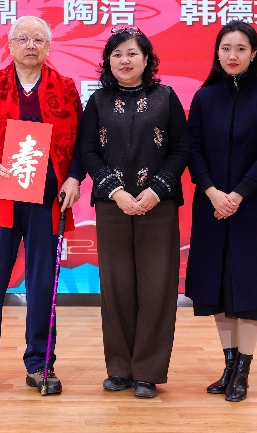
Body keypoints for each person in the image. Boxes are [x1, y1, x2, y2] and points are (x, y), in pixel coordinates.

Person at [0, 16, 84, 398]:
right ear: (10, 45)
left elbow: (82, 142)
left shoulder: (65, 88)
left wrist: (74, 178)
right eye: (23, 39)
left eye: (38, 39)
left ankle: (40, 363)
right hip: (4, 198)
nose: (31, 45)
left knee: (43, 282)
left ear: (48, 47)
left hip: (48, 201)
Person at [80, 26, 189, 399]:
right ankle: (120, 369)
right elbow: (88, 150)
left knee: (157, 287)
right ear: (108, 62)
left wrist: (156, 190)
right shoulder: (98, 101)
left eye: (131, 54)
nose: (124, 61)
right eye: (117, 55)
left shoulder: (165, 97)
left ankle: (147, 372)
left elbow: (181, 149)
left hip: (158, 205)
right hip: (112, 205)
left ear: (146, 60)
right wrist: (116, 190)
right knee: (117, 286)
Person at [186, 20, 257, 402]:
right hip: (211, 206)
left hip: (252, 207)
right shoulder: (204, 97)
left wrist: (238, 195)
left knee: (249, 288)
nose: (232, 55)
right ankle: (228, 366)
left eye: (241, 48)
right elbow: (193, 149)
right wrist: (213, 192)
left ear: (254, 53)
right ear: (217, 52)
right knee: (215, 287)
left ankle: (243, 371)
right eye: (226, 48)